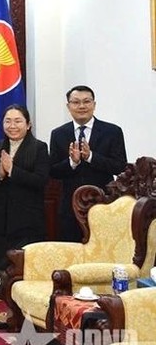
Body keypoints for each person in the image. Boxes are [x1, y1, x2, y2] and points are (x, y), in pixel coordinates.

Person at [0, 104, 49, 329]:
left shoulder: (39, 148)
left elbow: (41, 181)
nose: (12, 126)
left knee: (24, 271)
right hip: (0, 219)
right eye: (8, 121)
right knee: (2, 269)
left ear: (28, 124)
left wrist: (13, 170)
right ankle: (12, 315)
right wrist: (0, 173)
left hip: (27, 222)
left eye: (17, 121)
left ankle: (27, 321)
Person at [49, 85, 127, 242]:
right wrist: (72, 162)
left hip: (102, 203)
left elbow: (119, 166)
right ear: (68, 106)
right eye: (76, 102)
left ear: (94, 104)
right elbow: (53, 171)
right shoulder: (58, 134)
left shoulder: (112, 131)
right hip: (69, 206)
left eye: (86, 101)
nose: (82, 106)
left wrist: (91, 157)